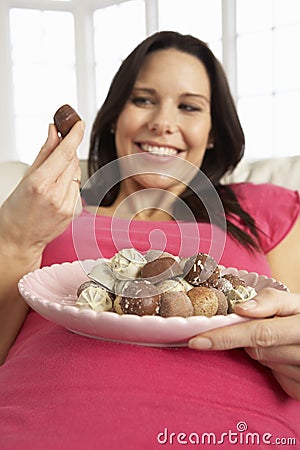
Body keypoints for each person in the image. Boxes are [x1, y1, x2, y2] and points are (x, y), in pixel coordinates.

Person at [0, 31, 300, 449]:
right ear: (115, 116)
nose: (163, 122)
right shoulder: (52, 213)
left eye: (189, 106)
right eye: (143, 99)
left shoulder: (262, 209)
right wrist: (14, 236)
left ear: (213, 131)